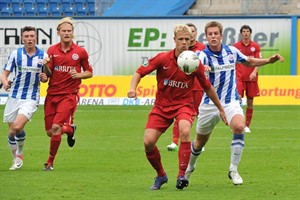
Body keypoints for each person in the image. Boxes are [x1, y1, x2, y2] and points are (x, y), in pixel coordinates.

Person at [181, 21, 284, 188]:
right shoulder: (202, 55)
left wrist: (268, 61)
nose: (213, 36)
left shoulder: (231, 51)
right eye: (210, 34)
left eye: (216, 33)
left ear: (221, 36)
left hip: (230, 102)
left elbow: (249, 61)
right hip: (209, 104)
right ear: (206, 37)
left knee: (238, 126)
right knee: (199, 143)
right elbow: (192, 68)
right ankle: (189, 168)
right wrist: (200, 68)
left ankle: (233, 170)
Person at [127, 24, 227, 190]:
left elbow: (207, 87)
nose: (184, 42)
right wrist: (132, 88)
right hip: (161, 106)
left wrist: (221, 108)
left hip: (184, 105)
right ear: (174, 40)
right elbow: (139, 72)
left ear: (191, 41)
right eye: (180, 39)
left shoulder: (194, 62)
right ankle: (161, 175)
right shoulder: (162, 58)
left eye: (187, 39)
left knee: (185, 131)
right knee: (148, 142)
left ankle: (182, 176)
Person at [42, 17, 93, 171]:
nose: (66, 33)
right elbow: (48, 74)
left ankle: (50, 162)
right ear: (58, 32)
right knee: (50, 132)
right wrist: (45, 72)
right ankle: (70, 129)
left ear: (73, 33)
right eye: (63, 31)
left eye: (69, 31)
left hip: (69, 95)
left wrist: (79, 75)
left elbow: (89, 72)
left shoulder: (80, 52)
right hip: (52, 95)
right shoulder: (51, 51)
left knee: (56, 128)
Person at [1, 26, 48, 170]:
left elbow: (46, 77)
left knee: (16, 127)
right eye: (26, 36)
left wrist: (45, 77)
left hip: (31, 97)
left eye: (32, 36)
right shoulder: (16, 54)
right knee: (13, 131)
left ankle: (19, 154)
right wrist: (5, 82)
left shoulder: (43, 56)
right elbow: (5, 74)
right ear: (22, 38)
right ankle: (16, 159)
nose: (29, 39)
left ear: (36, 38)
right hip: (14, 96)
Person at [167, 23, 206, 151]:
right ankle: (174, 142)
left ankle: (198, 141)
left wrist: (208, 67)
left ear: (194, 34)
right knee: (179, 113)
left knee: (199, 114)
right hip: (183, 87)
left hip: (198, 86)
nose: (192, 34)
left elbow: (209, 63)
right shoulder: (180, 50)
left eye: (194, 31)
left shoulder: (202, 48)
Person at [233, 25, 262, 133]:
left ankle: (247, 125)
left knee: (250, 101)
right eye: (244, 31)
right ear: (241, 33)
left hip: (251, 78)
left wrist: (254, 72)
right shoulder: (235, 46)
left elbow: (259, 61)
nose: (246, 33)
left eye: (247, 31)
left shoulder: (255, 46)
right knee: (238, 100)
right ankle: (238, 124)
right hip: (239, 78)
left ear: (250, 33)